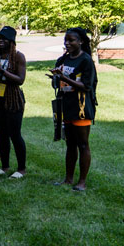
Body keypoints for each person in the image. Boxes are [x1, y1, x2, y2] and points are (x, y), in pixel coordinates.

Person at [49, 27, 96, 191]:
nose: (67, 43)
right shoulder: (62, 60)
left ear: (81, 41)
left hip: (81, 107)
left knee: (82, 144)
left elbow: (87, 86)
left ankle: (81, 182)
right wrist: (56, 78)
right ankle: (68, 179)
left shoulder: (86, 60)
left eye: (71, 40)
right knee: (70, 144)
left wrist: (64, 78)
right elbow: (57, 84)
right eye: (65, 41)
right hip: (66, 106)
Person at [0, 26, 26, 179]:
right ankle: (5, 167)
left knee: (15, 134)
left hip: (13, 100)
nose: (0, 41)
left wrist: (2, 71)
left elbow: (20, 80)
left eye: (4, 39)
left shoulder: (18, 57)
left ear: (11, 41)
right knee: (2, 134)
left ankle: (21, 169)